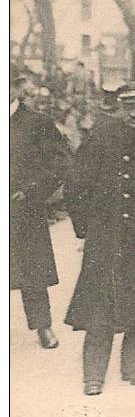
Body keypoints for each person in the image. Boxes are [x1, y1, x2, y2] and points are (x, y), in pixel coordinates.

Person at [63, 82, 135, 395]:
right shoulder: (102, 136)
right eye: (129, 106)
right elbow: (76, 185)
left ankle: (134, 367)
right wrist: (86, 228)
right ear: (120, 106)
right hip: (106, 237)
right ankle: (93, 376)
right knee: (100, 309)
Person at [10, 67, 69, 349]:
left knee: (31, 272)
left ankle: (42, 326)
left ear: (19, 89)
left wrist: (32, 191)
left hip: (24, 209)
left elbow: (59, 162)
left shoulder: (36, 123)